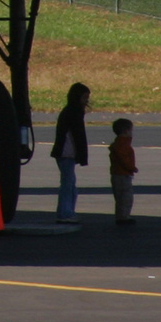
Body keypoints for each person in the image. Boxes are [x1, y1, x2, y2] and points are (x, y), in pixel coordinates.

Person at [51, 82, 90, 224]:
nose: (87, 100)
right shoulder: (74, 112)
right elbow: (78, 135)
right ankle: (64, 213)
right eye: (85, 97)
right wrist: (82, 155)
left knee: (70, 184)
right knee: (68, 185)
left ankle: (67, 212)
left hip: (65, 153)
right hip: (66, 153)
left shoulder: (69, 110)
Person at [109, 118, 137, 225]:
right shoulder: (123, 145)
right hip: (122, 174)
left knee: (121, 197)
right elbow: (123, 158)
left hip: (118, 174)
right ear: (126, 131)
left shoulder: (119, 144)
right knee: (125, 197)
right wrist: (131, 168)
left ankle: (122, 216)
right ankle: (123, 217)